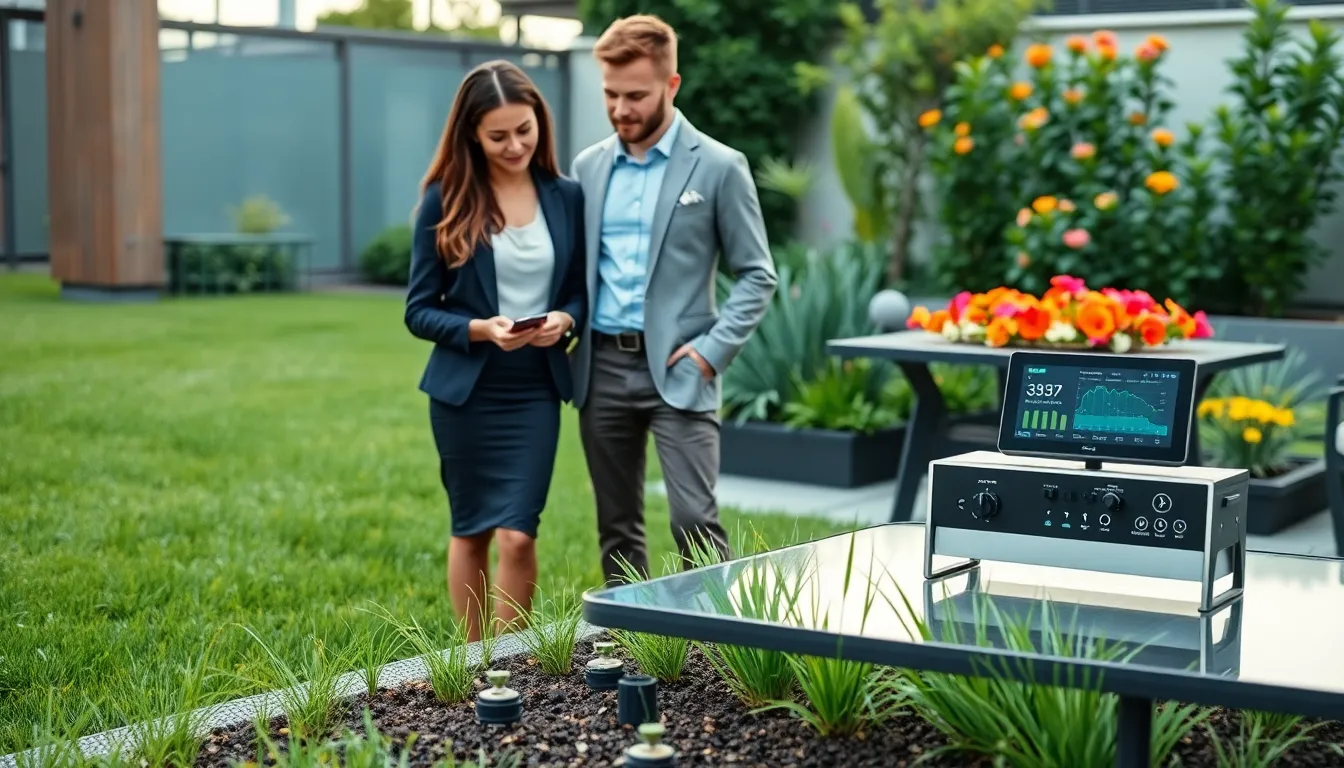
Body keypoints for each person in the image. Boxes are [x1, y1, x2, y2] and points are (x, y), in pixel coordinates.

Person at [568, 15, 778, 586]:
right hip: (603, 367)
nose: (620, 109)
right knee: (617, 524)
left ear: (672, 85)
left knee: (694, 520)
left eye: (635, 95)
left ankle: (717, 651)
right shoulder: (587, 168)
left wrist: (710, 353)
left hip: (682, 365)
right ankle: (635, 645)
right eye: (611, 95)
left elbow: (759, 275)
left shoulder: (718, 166)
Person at [405, 60, 586, 641]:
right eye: (499, 135)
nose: (515, 145)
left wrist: (564, 319)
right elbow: (418, 310)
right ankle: (474, 659)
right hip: (467, 392)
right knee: (472, 529)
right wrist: (482, 329)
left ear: (541, 123)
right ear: (472, 136)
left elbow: (581, 291)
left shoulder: (567, 197)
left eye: (525, 130)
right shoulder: (445, 200)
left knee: (519, 533)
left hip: (535, 386)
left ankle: (514, 663)